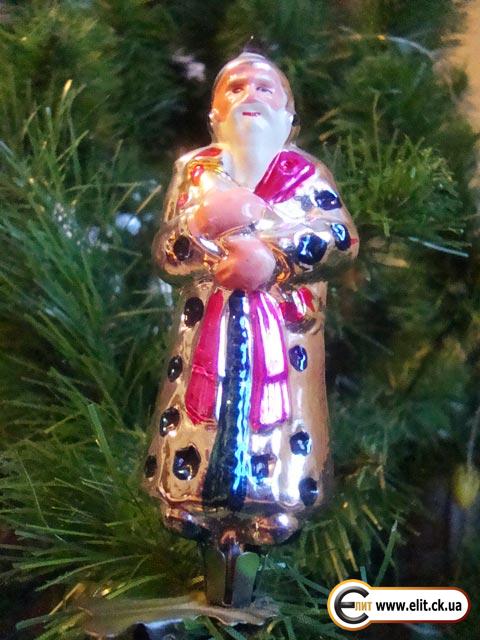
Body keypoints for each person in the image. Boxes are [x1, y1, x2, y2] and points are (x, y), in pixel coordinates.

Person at [143, 51, 359, 601]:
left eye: (266, 89)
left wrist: (272, 257)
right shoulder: (196, 173)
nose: (250, 97)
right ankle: (189, 497)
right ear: (215, 117)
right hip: (206, 333)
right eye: (235, 89)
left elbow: (338, 239)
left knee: (280, 422)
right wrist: (201, 228)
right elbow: (167, 251)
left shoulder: (306, 175)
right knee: (202, 411)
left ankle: (274, 505)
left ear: (289, 118)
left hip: (284, 339)